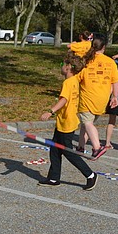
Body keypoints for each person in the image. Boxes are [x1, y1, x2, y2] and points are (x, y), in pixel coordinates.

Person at [38, 53, 97, 190]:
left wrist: (50, 111)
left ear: (68, 67)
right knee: (55, 149)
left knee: (68, 151)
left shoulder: (68, 83)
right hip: (65, 120)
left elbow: (64, 100)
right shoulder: (75, 80)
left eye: (62, 64)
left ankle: (90, 174)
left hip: (67, 122)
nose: (61, 66)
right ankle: (53, 178)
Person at [76, 34, 118, 158]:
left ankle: (97, 147)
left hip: (88, 97)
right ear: (103, 47)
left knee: (88, 123)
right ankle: (80, 146)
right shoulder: (110, 62)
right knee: (86, 123)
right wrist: (115, 96)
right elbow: (116, 81)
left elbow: (77, 78)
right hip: (103, 98)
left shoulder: (85, 61)